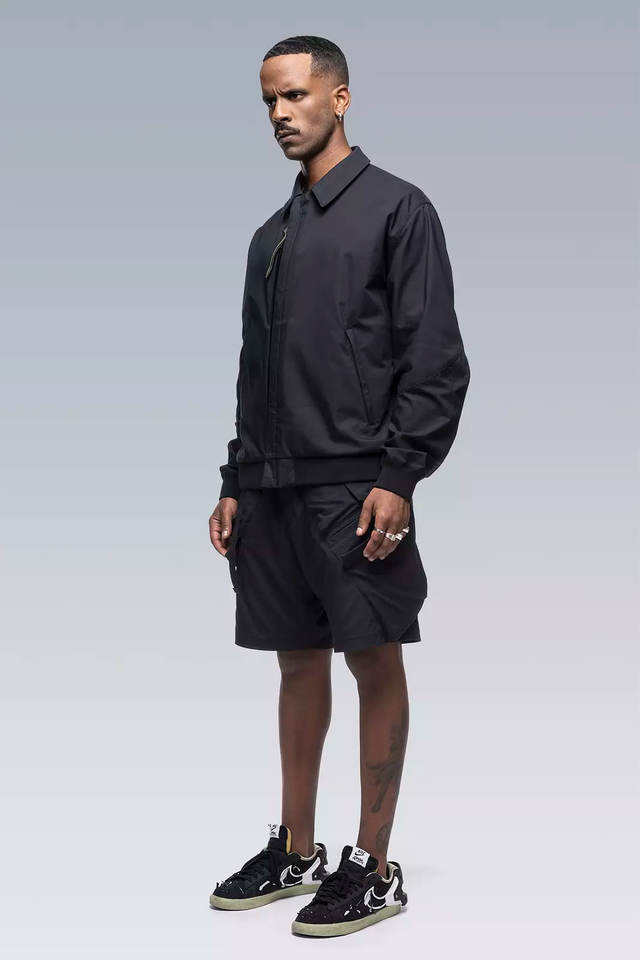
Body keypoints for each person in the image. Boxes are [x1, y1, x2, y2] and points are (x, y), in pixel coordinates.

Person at [208, 35, 470, 938]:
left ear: (341, 97)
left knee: (374, 657)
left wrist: (401, 474)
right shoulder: (269, 237)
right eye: (269, 101)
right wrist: (236, 478)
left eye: (295, 96)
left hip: (357, 486)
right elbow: (253, 371)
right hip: (272, 490)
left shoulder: (398, 209)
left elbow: (435, 357)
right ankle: (296, 849)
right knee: (295, 660)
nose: (281, 115)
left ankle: (375, 865)